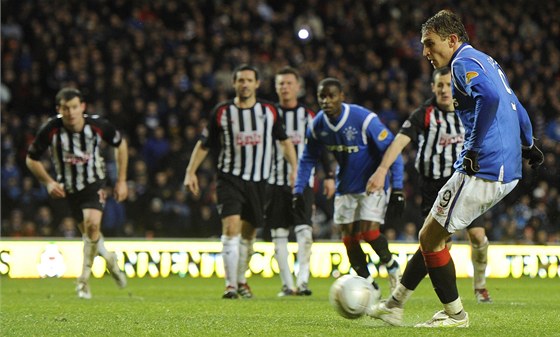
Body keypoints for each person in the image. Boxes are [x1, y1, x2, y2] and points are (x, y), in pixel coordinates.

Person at [367, 10, 544, 328]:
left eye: (429, 44)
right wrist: (528, 143)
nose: (425, 52)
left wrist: (474, 150)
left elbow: (489, 100)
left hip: (484, 166)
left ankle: (454, 315)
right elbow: (513, 102)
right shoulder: (487, 60)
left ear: (452, 40)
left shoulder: (461, 62)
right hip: (504, 167)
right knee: (429, 236)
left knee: (431, 238)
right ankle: (395, 305)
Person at [369, 66, 494, 303]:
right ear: (433, 87)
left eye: (449, 85)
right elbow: (399, 142)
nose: (445, 90)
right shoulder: (424, 114)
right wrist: (382, 169)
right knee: (436, 243)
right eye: (441, 85)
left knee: (477, 235)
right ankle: (445, 295)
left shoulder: (468, 110)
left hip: (464, 183)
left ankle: (480, 286)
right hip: (433, 186)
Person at [183, 64, 298, 299]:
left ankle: (241, 280)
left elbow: (285, 142)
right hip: (229, 179)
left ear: (257, 84)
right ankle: (230, 285)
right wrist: (190, 171)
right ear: (234, 84)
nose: (244, 84)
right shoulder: (222, 112)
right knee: (231, 227)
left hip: (259, 182)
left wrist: (295, 169)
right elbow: (204, 143)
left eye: (249, 80)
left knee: (248, 235)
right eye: (240, 80)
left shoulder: (269, 111)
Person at [294, 77, 405, 294]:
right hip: (345, 185)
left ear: (341, 97)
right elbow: (307, 159)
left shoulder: (363, 119)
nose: (326, 101)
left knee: (369, 232)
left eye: (331, 96)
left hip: (372, 184)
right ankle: (369, 285)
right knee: (349, 238)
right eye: (321, 97)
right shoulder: (318, 125)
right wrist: (298, 190)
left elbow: (393, 149)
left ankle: (392, 268)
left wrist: (398, 187)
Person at [26, 87, 128, 299]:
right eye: (66, 108)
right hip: (69, 189)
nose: (71, 112)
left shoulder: (98, 126)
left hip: (94, 183)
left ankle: (83, 281)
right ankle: (109, 259)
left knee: (92, 226)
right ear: (59, 109)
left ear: (82, 107)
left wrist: (121, 181)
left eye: (74, 107)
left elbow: (121, 144)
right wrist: (48, 182)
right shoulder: (51, 129)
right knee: (90, 237)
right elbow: (31, 158)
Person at [267, 66, 335, 297]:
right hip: (273, 182)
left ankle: (303, 282)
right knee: (278, 233)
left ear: (298, 87)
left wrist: (328, 175)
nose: (284, 87)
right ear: (276, 88)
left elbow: (321, 145)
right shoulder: (267, 114)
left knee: (305, 231)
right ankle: (287, 285)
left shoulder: (308, 115)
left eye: (288, 83)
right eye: (280, 84)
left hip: (303, 182)